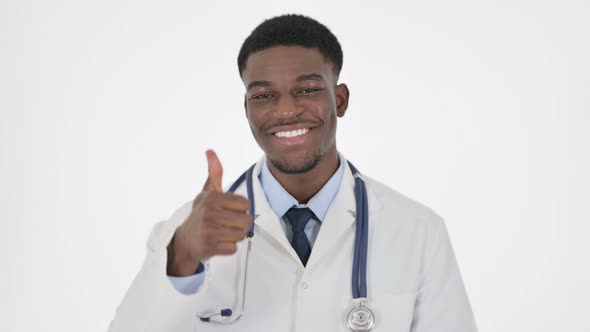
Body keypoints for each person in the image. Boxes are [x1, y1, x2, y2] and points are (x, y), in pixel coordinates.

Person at [109, 14, 478, 332]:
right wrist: (182, 256)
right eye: (264, 96)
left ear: (341, 99)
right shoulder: (188, 231)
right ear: (247, 108)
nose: (286, 111)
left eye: (307, 89)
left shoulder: (418, 231)